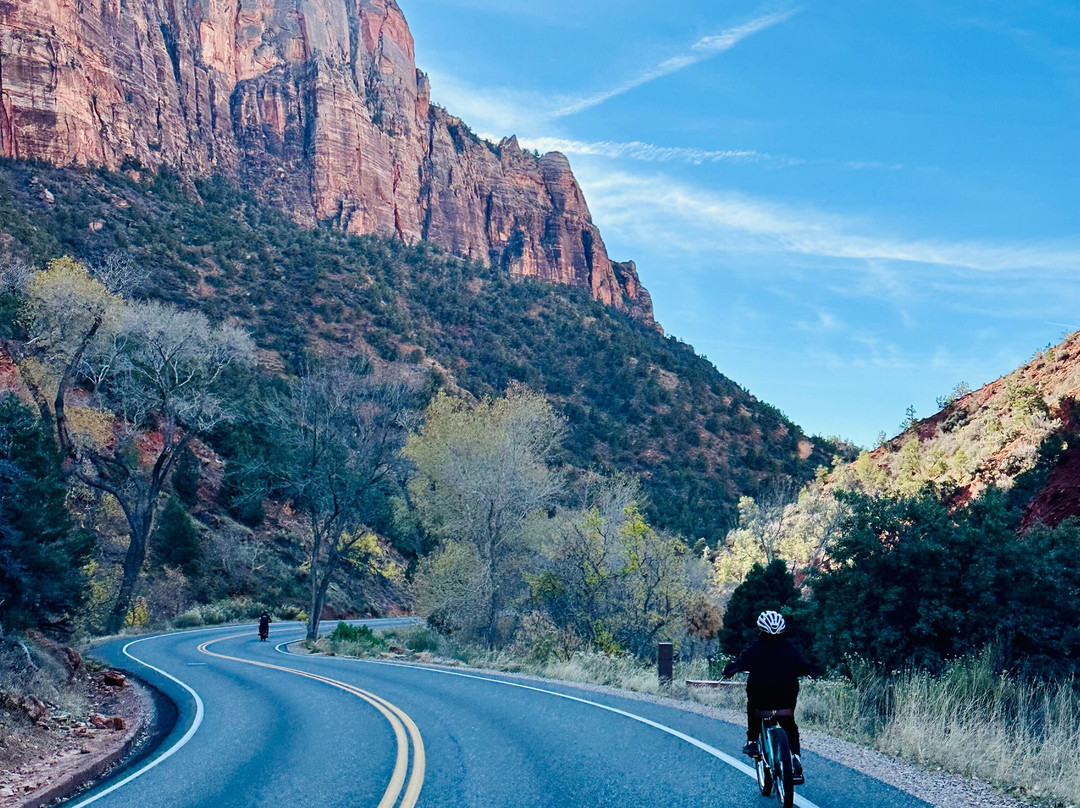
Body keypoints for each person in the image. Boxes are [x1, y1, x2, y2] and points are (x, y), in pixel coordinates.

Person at [721, 610, 814, 779]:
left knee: (753, 708)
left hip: (761, 697)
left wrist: (727, 671)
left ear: (761, 629)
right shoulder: (790, 648)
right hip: (786, 697)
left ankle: (752, 741)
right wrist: (809, 672)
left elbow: (739, 663)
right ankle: (794, 758)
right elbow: (804, 666)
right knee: (789, 725)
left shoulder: (755, 648)